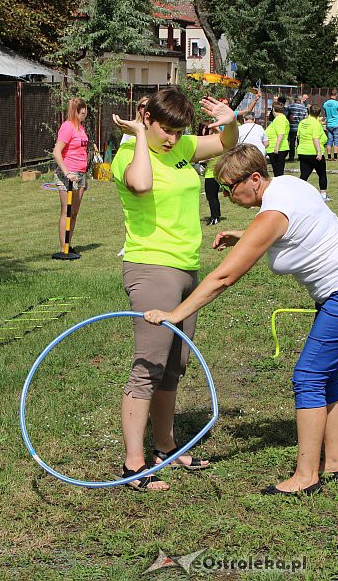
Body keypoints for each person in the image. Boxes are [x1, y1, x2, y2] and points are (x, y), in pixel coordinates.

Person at [144, 144, 338, 495]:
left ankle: (306, 477)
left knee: (308, 376)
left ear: (255, 179)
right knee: (324, 374)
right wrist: (244, 236)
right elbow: (299, 228)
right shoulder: (289, 185)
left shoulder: (272, 213)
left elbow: (223, 278)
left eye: (231, 188)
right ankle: (334, 464)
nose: (228, 196)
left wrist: (176, 314)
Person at [110, 88, 238, 491]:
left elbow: (224, 143)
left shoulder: (181, 144)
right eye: (165, 129)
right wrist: (137, 136)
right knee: (148, 365)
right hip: (151, 268)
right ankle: (134, 465)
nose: (171, 138)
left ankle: (165, 447)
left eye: (177, 131)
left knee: (174, 366)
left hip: (186, 268)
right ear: (146, 118)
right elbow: (142, 186)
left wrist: (229, 119)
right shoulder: (128, 155)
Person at [52, 98, 89, 256]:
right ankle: (63, 247)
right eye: (82, 112)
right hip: (68, 175)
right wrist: (67, 172)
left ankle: (69, 243)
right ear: (76, 111)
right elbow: (56, 152)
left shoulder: (80, 128)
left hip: (80, 175)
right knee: (66, 212)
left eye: (85, 112)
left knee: (74, 212)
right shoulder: (67, 127)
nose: (85, 115)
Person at [297, 105, 330, 201]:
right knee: (322, 174)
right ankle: (323, 195)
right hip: (313, 152)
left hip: (303, 152)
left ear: (308, 111)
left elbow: (298, 136)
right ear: (319, 114)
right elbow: (315, 138)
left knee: (304, 175)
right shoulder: (316, 124)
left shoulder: (302, 122)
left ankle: (299, 194)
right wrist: (319, 152)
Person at [265, 102, 290, 176]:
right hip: (274, 148)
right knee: (277, 172)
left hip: (278, 149)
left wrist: (277, 147)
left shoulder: (280, 119)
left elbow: (281, 133)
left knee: (278, 173)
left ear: (273, 109)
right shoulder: (278, 119)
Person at [322, 91, 338, 161]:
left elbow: (325, 114)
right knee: (337, 140)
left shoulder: (325, 104)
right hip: (337, 124)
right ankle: (335, 156)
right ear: (336, 95)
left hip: (329, 124)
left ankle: (329, 156)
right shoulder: (337, 103)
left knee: (329, 140)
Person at [285, 95, 308, 162]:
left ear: (294, 100)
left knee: (291, 143)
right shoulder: (303, 108)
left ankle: (291, 157)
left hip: (292, 127)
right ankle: (300, 156)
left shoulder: (290, 107)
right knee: (300, 143)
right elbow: (305, 117)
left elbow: (287, 116)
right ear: (300, 100)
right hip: (300, 127)